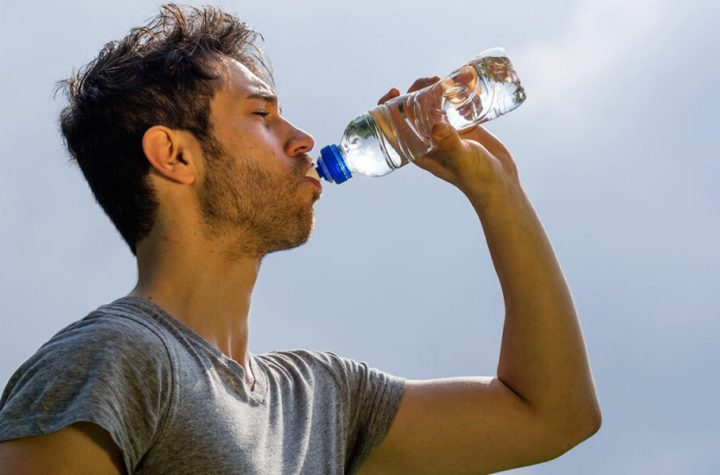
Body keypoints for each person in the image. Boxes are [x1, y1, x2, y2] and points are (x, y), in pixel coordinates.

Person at [0, 4, 601, 474]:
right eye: (262, 116)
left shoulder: (319, 401)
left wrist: (499, 193)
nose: (304, 139)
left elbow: (552, 416)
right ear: (175, 155)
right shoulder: (113, 360)